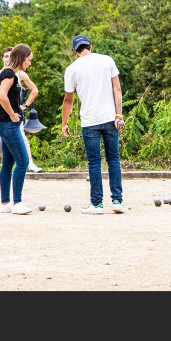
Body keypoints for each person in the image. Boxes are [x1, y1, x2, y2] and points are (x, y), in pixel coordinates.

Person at [62, 34, 126, 214]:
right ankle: (117, 201)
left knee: (94, 163)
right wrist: (119, 114)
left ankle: (97, 204)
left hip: (89, 121)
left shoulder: (72, 69)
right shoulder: (107, 60)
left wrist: (64, 123)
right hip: (110, 118)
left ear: (75, 50)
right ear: (90, 45)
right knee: (113, 159)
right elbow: (117, 89)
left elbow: (68, 100)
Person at [0, 47, 43, 172]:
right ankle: (8, 168)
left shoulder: (20, 74)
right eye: (6, 56)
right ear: (2, 58)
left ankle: (30, 163)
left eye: (10, 56)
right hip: (3, 116)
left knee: (22, 140)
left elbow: (34, 90)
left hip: (14, 115)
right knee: (2, 145)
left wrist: (25, 106)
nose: (8, 58)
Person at [0, 43, 34, 215]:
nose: (30, 63)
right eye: (29, 60)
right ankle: (17, 203)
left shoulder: (9, 74)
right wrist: (12, 114)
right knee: (23, 161)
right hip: (8, 124)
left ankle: (5, 203)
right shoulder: (9, 74)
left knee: (8, 164)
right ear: (22, 57)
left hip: (4, 124)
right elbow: (1, 96)